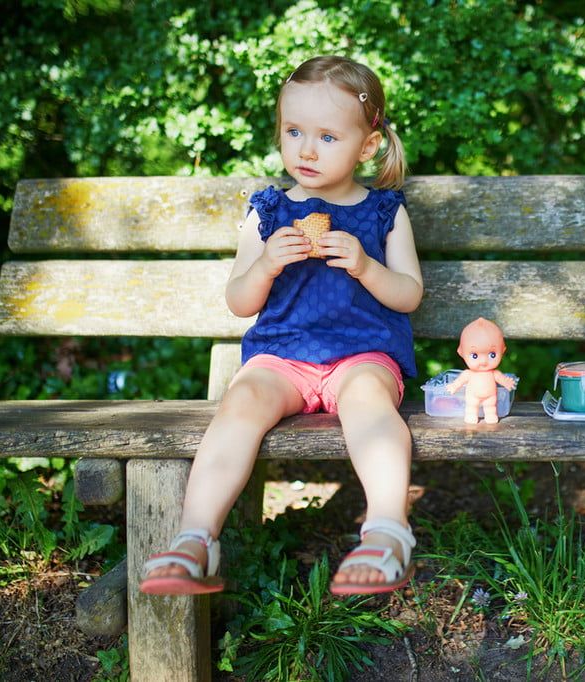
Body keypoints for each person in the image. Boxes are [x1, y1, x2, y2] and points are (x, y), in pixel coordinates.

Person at [140, 55, 422, 597]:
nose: (306, 150)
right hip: (281, 358)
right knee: (242, 401)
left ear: (367, 146)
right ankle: (195, 539)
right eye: (294, 132)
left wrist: (366, 265)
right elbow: (239, 301)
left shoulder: (383, 212)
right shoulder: (268, 212)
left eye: (327, 137)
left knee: (368, 401)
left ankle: (388, 532)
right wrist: (266, 264)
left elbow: (409, 294)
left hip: (362, 356)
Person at [447, 318, 515, 424]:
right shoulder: (468, 374)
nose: (483, 361)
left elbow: (502, 379)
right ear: (461, 353)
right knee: (471, 406)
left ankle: (491, 415)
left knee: (491, 406)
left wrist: (507, 382)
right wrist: (454, 386)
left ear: (502, 350)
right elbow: (459, 381)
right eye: (474, 355)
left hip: (490, 396)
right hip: (472, 396)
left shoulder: (494, 374)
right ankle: (471, 415)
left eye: (492, 355)